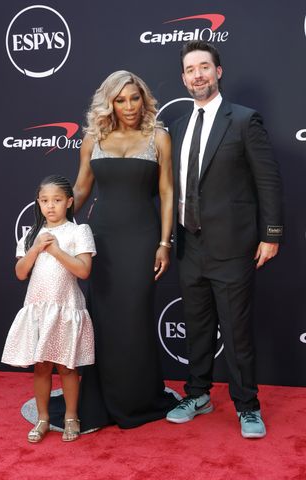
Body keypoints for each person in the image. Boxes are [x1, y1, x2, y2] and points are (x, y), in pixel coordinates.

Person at [48, 70, 179, 431]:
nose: (129, 106)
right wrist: (56, 221)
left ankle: (137, 397)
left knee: (134, 316)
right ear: (110, 103)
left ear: (143, 98)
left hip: (142, 237)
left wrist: (165, 242)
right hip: (101, 238)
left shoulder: (159, 137)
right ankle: (100, 397)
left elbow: (167, 192)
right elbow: (82, 187)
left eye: (134, 98)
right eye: (120, 100)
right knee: (102, 319)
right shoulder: (92, 139)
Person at [165, 41, 283, 438]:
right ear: (183, 78)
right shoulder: (178, 127)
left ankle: (247, 406)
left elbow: (267, 180)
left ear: (218, 71)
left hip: (234, 248)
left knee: (236, 333)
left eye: (204, 67)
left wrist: (271, 234)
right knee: (197, 328)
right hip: (189, 246)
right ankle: (198, 394)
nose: (197, 74)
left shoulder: (244, 121)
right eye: (190, 69)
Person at [2, 174, 96, 443]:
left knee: (67, 367)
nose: (50, 206)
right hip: (38, 309)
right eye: (44, 201)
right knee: (41, 367)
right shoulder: (31, 234)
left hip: (66, 307)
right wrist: (36, 249)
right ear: (38, 203)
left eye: (56, 200)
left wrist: (55, 251)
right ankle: (42, 418)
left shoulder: (79, 231)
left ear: (68, 202)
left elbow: (84, 270)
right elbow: (21, 273)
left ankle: (70, 417)